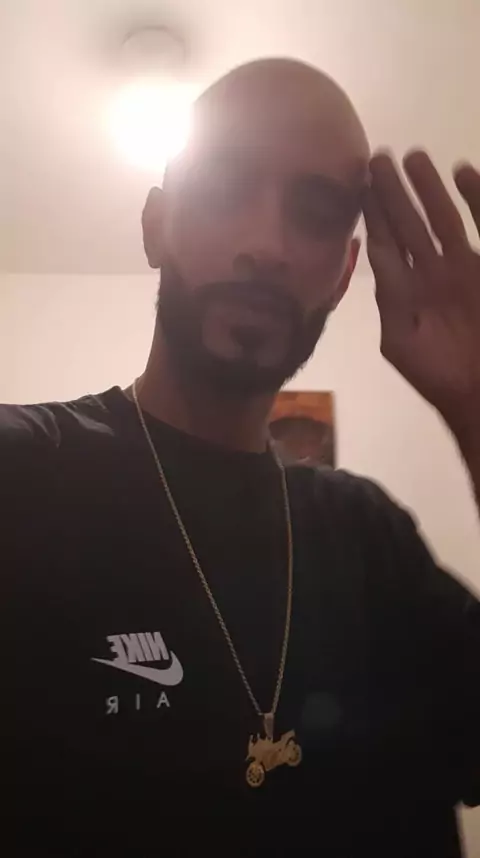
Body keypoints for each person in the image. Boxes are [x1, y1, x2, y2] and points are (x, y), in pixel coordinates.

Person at [4, 58, 480, 857]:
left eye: (316, 212)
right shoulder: (20, 477)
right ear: (156, 224)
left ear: (345, 274)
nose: (268, 245)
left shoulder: (372, 539)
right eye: (224, 187)